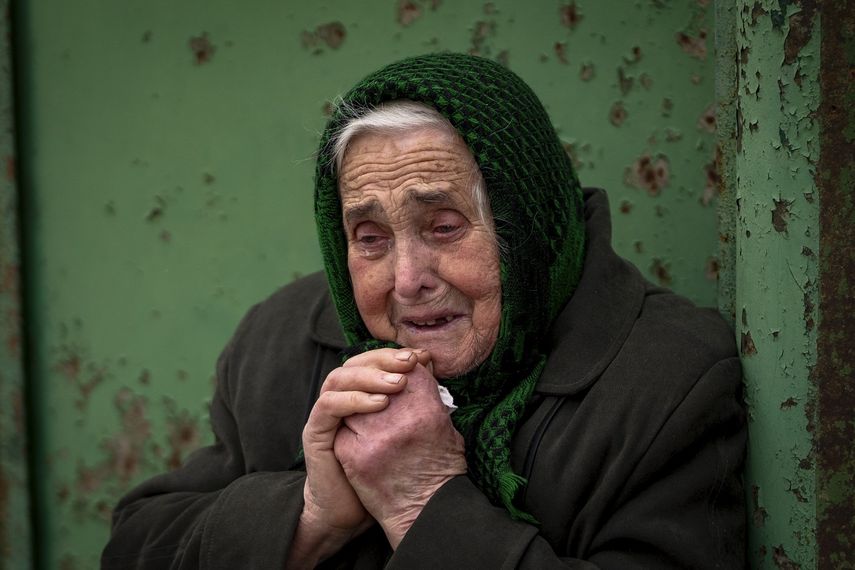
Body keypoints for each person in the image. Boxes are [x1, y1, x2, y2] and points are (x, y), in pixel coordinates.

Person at [102, 53, 746, 569]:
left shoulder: (667, 380)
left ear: (526, 225)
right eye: (370, 238)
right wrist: (308, 517)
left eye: (443, 227)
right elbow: (137, 544)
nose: (408, 280)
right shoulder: (279, 343)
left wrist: (423, 502)